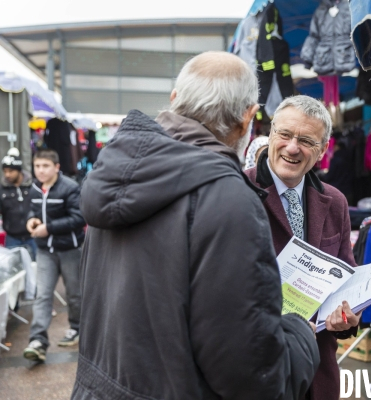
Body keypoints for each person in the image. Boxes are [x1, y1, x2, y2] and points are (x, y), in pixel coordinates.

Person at [70, 52, 319, 400]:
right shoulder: (227, 198)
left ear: (175, 99)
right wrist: (301, 337)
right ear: (248, 118)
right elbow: (250, 374)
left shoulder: (114, 172)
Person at [245, 95, 360, 400]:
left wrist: (347, 317)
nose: (293, 147)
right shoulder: (238, 191)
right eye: (284, 134)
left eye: (306, 140)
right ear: (270, 135)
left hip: (317, 374)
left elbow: (345, 286)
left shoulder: (335, 202)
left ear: (322, 150)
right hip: (256, 373)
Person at [23, 149, 86, 362]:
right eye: (37, 166)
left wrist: (49, 228)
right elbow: (32, 211)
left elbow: (79, 218)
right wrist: (31, 220)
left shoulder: (70, 187)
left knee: (75, 294)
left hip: (70, 249)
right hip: (44, 251)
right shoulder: (33, 188)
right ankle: (38, 340)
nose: (40, 171)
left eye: (45, 166)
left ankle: (77, 328)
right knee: (42, 295)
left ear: (56, 167)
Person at [0, 148, 36, 259]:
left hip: (33, 236)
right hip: (12, 237)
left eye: (11, 171)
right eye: (5, 171)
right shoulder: (2, 189)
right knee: (13, 271)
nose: (7, 174)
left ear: (19, 170)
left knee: (37, 269)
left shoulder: (33, 186)